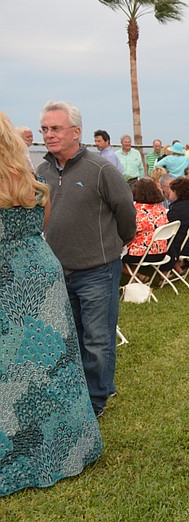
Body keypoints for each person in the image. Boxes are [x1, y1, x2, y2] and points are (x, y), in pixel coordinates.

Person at [0, 110, 103, 496]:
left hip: (8, 280)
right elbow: (39, 227)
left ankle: (19, 458)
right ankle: (68, 447)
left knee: (11, 369)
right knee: (54, 363)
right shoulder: (33, 182)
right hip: (42, 273)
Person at [37, 101, 137, 417]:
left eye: (56, 128)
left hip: (98, 269)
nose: (49, 134)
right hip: (59, 269)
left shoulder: (101, 169)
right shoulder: (42, 171)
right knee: (73, 337)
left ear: (76, 132)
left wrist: (116, 244)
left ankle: (95, 401)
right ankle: (91, 388)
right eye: (44, 129)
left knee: (98, 338)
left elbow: (126, 211)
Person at [122, 178, 170, 280]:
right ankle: (135, 277)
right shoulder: (161, 209)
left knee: (113, 257)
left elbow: (127, 231)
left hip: (141, 254)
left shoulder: (135, 210)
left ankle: (136, 277)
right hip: (161, 252)